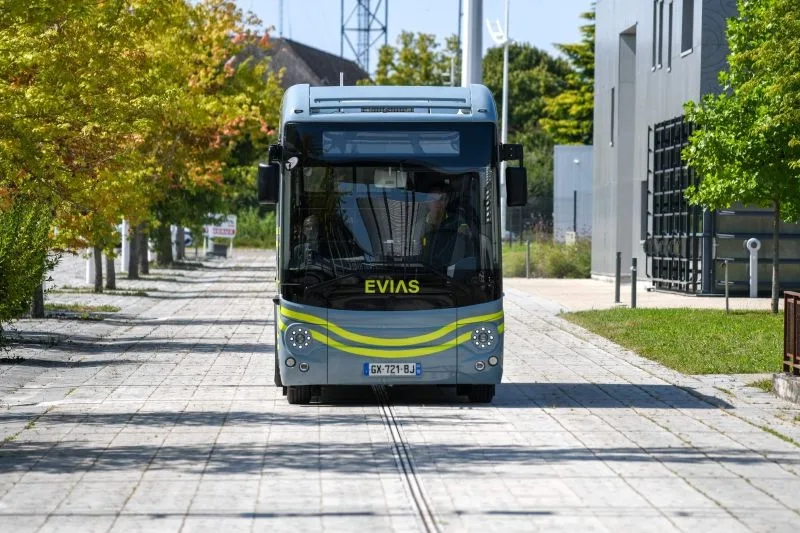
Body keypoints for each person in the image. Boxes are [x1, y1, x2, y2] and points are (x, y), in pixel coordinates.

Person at [420, 187, 472, 267]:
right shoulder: (418, 225)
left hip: (448, 272)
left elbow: (467, 236)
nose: (437, 203)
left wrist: (465, 232)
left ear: (446, 202)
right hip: (422, 271)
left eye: (442, 199)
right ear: (427, 202)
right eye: (433, 199)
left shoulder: (457, 221)